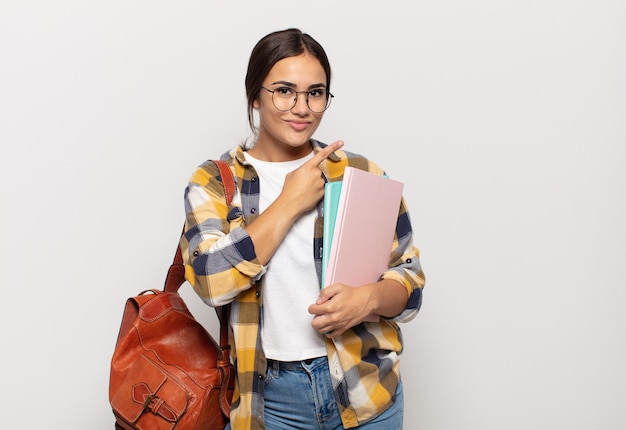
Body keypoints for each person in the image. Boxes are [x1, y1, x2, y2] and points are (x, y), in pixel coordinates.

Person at [180, 28, 425, 429]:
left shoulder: (358, 174)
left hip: (365, 390)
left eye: (315, 92)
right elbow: (209, 282)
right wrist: (289, 202)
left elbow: (410, 281)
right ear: (254, 96)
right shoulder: (214, 181)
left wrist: (367, 299)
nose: (302, 107)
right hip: (269, 402)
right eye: (283, 90)